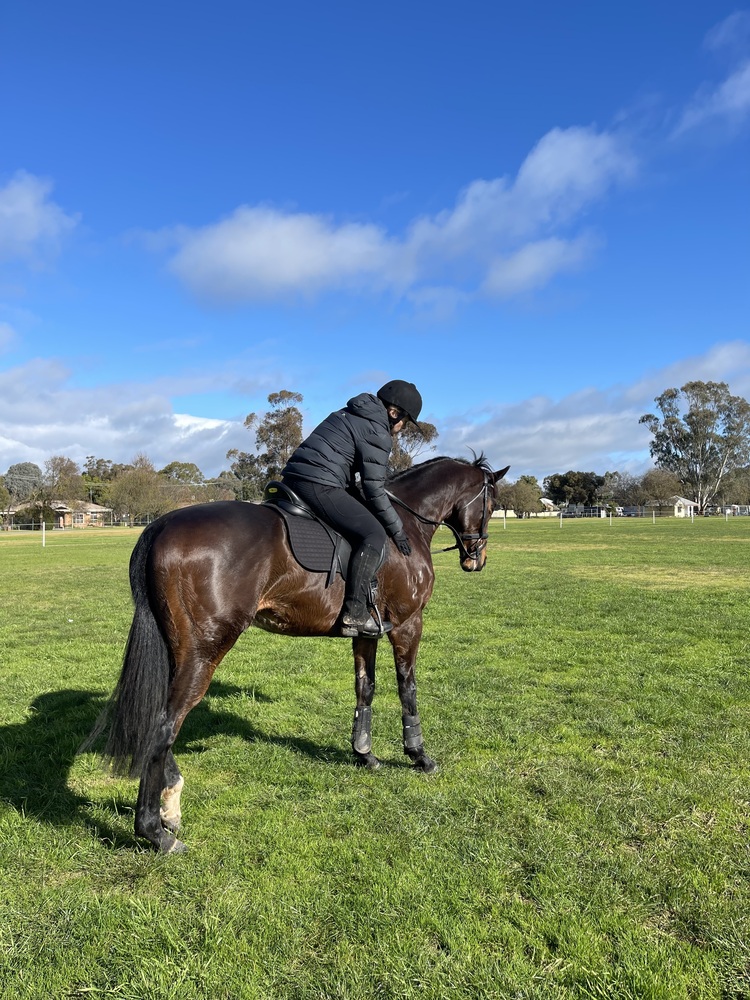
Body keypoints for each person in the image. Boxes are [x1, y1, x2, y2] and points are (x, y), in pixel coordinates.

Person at [281, 380, 422, 637]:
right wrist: (397, 529)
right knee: (374, 534)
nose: (402, 429)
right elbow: (374, 490)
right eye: (405, 421)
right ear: (394, 413)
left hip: (296, 478)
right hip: (319, 484)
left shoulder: (351, 412)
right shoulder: (377, 431)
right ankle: (355, 613)